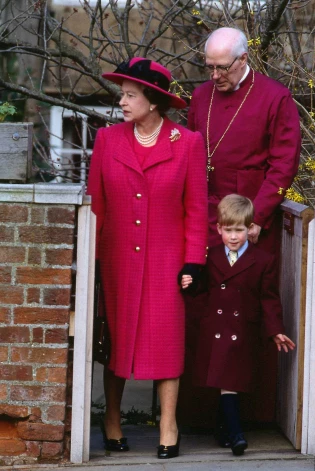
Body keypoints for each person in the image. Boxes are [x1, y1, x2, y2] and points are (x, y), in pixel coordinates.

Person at [179, 25, 301, 429]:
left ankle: (249, 418)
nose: (214, 76)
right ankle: (199, 415)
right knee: (203, 313)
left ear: (244, 60)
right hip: (205, 220)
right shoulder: (201, 96)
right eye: (209, 67)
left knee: (245, 317)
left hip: (250, 224)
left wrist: (257, 219)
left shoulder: (274, 97)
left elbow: (283, 162)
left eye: (222, 68)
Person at [87, 57, 208, 459]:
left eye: (129, 95)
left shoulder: (187, 142)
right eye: (122, 94)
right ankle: (113, 420)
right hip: (116, 258)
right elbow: (96, 205)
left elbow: (196, 208)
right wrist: (92, 261)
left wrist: (194, 261)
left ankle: (168, 425)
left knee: (166, 340)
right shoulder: (107, 140)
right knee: (115, 340)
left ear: (153, 101)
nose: (121, 102)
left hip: (166, 261)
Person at [181, 194, 295, 456]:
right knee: (226, 382)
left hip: (243, 330)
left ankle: (227, 431)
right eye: (229, 230)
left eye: (240, 230)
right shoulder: (209, 256)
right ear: (219, 228)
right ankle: (235, 434)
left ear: (250, 228)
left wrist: (275, 329)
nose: (234, 236)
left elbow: (269, 298)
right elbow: (202, 289)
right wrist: (190, 283)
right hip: (215, 329)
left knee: (228, 381)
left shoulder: (263, 259)